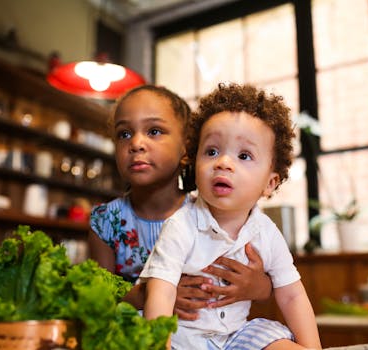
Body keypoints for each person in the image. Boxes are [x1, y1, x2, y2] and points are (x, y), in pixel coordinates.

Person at [141, 83, 322, 350]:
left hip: (236, 337)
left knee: (278, 341)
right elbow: (162, 290)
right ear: (194, 163)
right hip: (184, 339)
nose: (223, 162)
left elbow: (292, 294)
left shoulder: (266, 231)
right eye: (211, 151)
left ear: (269, 184)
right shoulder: (182, 225)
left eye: (244, 155)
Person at [88, 84, 273, 319]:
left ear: (187, 147)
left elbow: (270, 286)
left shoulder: (212, 213)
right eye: (124, 134)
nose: (135, 143)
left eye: (154, 131)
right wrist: (152, 295)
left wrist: (255, 286)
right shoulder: (105, 222)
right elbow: (97, 299)